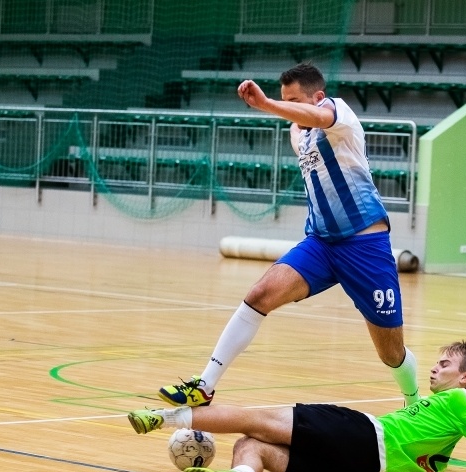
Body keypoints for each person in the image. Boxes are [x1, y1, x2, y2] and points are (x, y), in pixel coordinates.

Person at [158, 61, 419, 408]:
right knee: (260, 294)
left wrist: (266, 104)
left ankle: (415, 402)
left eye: (295, 100)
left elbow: (315, 118)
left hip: (364, 246)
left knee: (390, 352)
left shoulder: (339, 114)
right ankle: (204, 386)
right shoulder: (303, 135)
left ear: (319, 97)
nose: (290, 107)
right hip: (322, 245)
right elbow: (300, 131)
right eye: (286, 100)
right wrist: (285, 118)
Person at [130, 339, 466, 472]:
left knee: (254, 418)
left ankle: (164, 416)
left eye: (446, 363)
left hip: (364, 435)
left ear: (465, 377)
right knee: (252, 446)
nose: (436, 368)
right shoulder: (436, 413)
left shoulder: (460, 399)